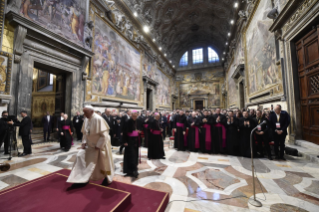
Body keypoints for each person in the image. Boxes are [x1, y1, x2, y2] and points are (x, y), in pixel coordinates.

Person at [67, 105, 114, 187]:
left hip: (100, 146)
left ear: (92, 111)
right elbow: (85, 133)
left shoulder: (98, 119)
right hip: (89, 146)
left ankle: (107, 178)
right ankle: (82, 179)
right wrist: (84, 142)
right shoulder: (86, 119)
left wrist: (98, 145)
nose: (84, 114)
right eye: (84, 112)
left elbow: (104, 135)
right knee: (80, 157)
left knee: (104, 162)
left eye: (85, 112)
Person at [122, 110, 140, 178]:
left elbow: (138, 128)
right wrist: (124, 142)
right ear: (131, 115)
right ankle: (131, 170)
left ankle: (134, 169)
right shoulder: (127, 121)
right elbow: (124, 132)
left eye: (136, 116)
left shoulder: (137, 121)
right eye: (133, 116)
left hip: (135, 141)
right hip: (129, 141)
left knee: (135, 156)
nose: (135, 117)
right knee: (131, 156)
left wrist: (138, 131)